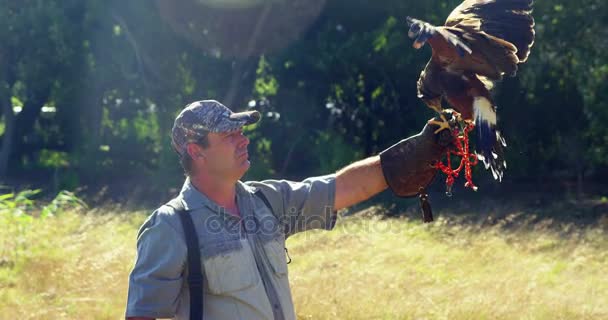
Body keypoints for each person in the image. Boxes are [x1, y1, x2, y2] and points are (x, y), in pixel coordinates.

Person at [125, 100, 452, 320]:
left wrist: (413, 154)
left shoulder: (269, 201)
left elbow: (342, 188)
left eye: (241, 132)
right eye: (229, 135)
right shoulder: (170, 227)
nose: (243, 140)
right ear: (197, 152)